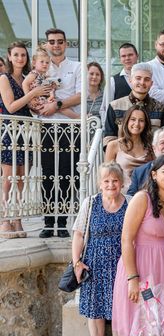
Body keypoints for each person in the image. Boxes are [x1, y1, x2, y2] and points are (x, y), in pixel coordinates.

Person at [111, 155, 164, 336]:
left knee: (157, 328)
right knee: (130, 329)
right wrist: (133, 278)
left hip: (163, 270)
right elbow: (126, 239)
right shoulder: (142, 199)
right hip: (139, 268)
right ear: (154, 174)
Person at [72, 163, 129, 336]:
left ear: (121, 183)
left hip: (121, 263)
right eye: (106, 181)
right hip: (94, 262)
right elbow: (78, 234)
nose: (111, 184)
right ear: (99, 183)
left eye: (115, 180)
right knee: (95, 309)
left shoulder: (130, 203)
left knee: (118, 308)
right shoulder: (91, 203)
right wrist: (77, 262)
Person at [0, 42, 50, 238]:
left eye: (23, 55)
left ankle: (17, 219)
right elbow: (11, 106)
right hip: (9, 132)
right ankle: (5, 219)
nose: (20, 58)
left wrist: (41, 103)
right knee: (8, 179)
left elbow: (28, 105)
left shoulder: (27, 78)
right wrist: (33, 93)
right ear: (10, 57)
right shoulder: (4, 78)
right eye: (16, 55)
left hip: (25, 131)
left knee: (21, 178)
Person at [38, 28, 81, 238]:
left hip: (69, 127)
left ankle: (62, 223)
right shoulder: (41, 68)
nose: (56, 45)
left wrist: (58, 105)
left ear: (66, 44)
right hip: (46, 126)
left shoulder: (78, 67)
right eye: (52, 42)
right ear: (46, 44)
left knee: (66, 174)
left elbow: (80, 95)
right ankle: (48, 223)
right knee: (47, 175)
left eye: (60, 41)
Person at [103, 62, 164, 146]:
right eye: (138, 78)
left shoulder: (162, 109)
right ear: (131, 80)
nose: (142, 82)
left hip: (153, 157)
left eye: (146, 79)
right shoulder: (115, 107)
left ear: (151, 84)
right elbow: (109, 139)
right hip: (123, 156)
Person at [104, 105, 154, 191]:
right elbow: (107, 175)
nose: (137, 124)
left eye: (141, 120)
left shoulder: (151, 147)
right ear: (127, 121)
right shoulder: (113, 145)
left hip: (145, 194)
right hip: (121, 194)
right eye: (133, 119)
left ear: (145, 124)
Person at [22, 48, 75, 117]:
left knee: (59, 105)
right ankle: (78, 117)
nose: (45, 64)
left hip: (42, 99)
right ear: (34, 63)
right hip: (35, 101)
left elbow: (47, 89)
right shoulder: (34, 73)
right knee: (58, 106)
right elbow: (24, 84)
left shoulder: (44, 76)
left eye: (47, 62)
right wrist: (30, 99)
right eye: (42, 62)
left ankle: (77, 117)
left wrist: (52, 93)